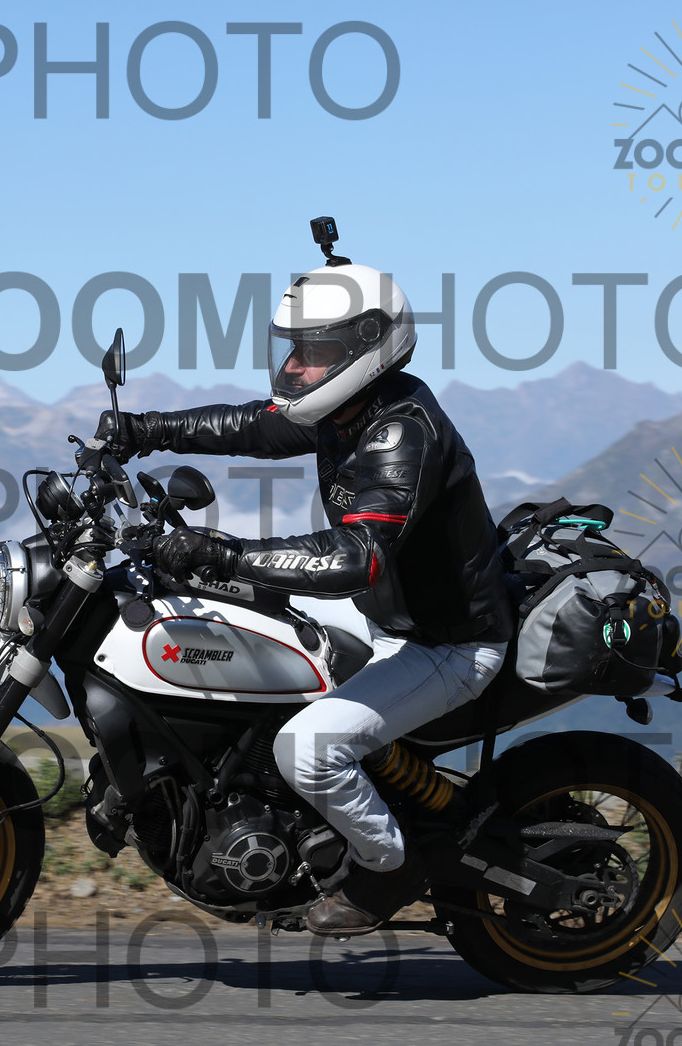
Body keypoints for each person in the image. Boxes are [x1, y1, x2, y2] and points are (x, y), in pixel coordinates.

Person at [95, 257, 511, 936]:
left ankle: (387, 864)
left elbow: (356, 556)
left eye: (312, 351)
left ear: (364, 350)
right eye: (292, 347)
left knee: (308, 748)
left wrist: (223, 550)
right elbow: (250, 426)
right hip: (388, 612)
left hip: (447, 642)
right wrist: (146, 430)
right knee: (222, 618)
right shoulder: (345, 410)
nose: (293, 365)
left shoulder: (401, 432)